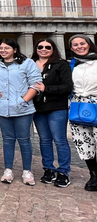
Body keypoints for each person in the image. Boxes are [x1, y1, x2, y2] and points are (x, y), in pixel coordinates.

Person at [0, 38, 42, 185]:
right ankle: (8, 170)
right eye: (1, 48)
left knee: (24, 140)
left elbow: (36, 84)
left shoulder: (27, 63)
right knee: (7, 139)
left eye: (7, 48)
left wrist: (24, 100)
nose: (3, 50)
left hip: (22, 109)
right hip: (2, 107)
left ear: (14, 49)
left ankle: (27, 171)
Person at [31, 38, 73, 188]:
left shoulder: (61, 64)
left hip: (57, 107)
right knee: (44, 140)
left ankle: (63, 171)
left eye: (48, 47)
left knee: (60, 140)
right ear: (36, 49)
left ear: (53, 49)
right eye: (40, 47)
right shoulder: (30, 64)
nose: (44, 49)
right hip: (38, 108)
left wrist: (46, 89)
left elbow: (67, 87)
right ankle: (48, 168)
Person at [68, 34, 97, 191]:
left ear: (89, 44)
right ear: (71, 48)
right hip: (77, 105)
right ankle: (94, 175)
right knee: (84, 142)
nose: (79, 46)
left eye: (82, 43)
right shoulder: (72, 65)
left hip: (96, 102)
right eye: (75, 44)